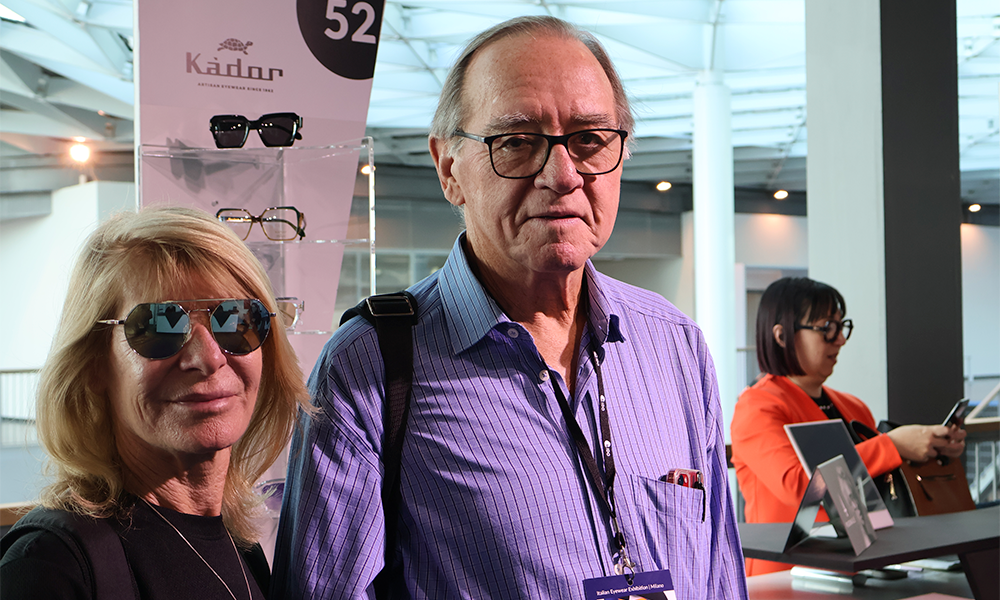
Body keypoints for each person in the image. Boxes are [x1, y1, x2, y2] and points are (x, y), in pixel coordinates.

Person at [272, 15, 747, 600]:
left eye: (590, 140)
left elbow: (721, 579)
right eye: (518, 142)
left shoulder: (674, 345)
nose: (563, 175)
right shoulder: (371, 366)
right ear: (449, 168)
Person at [0, 206, 312, 598]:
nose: (208, 358)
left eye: (235, 320)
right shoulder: (51, 566)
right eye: (159, 325)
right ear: (93, 364)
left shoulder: (241, 547)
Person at [730, 276, 966, 575]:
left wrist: (928, 448)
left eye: (841, 327)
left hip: (864, 567)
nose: (840, 339)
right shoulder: (757, 407)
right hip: (788, 575)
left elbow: (875, 479)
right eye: (827, 328)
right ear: (781, 335)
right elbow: (799, 486)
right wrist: (892, 445)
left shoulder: (852, 406)